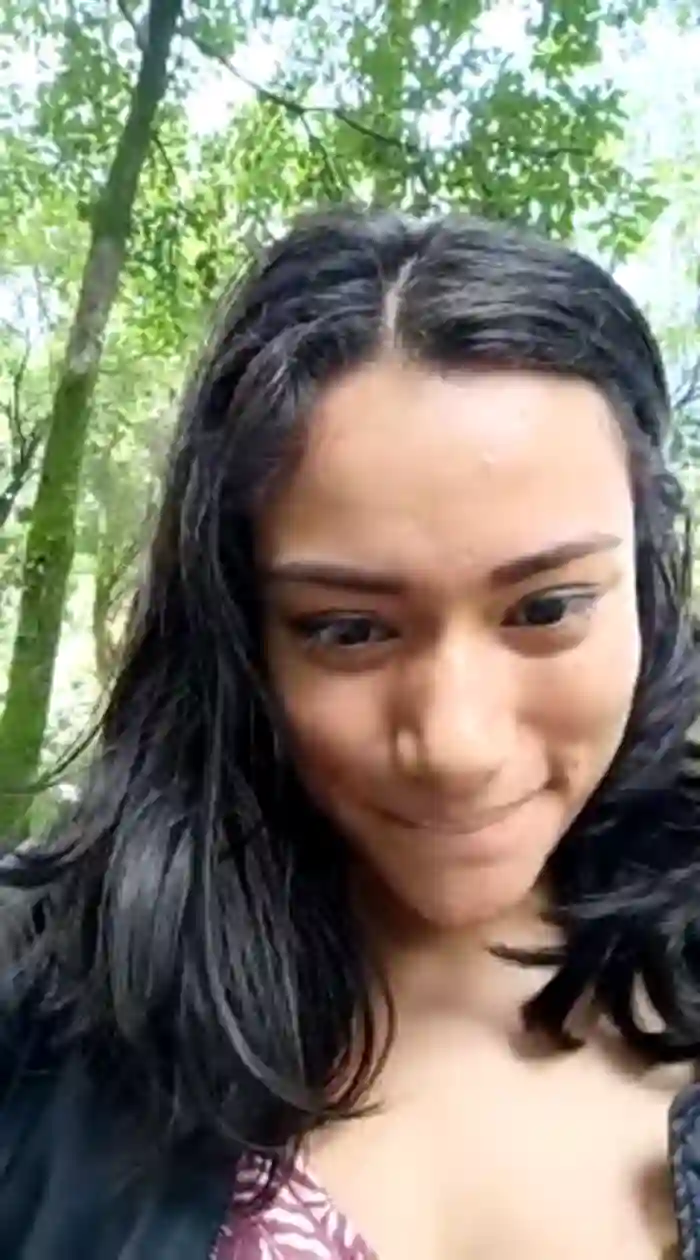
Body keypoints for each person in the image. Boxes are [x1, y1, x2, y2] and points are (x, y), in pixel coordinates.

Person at [0, 205, 699, 1260]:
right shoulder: (38, 1006)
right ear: (239, 635)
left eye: (546, 609)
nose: (456, 745)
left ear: (643, 586)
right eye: (350, 630)